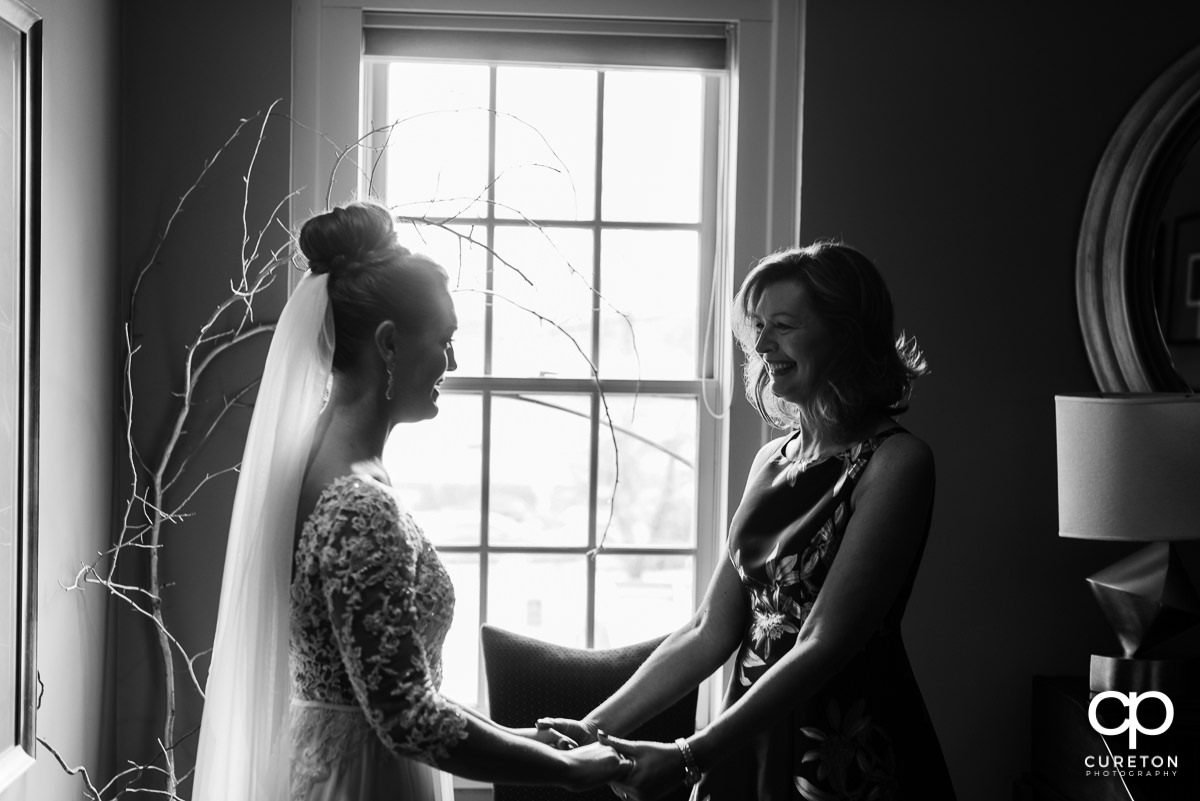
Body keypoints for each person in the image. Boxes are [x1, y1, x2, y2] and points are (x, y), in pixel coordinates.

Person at [192, 201, 632, 801]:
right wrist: (566, 772)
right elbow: (407, 719)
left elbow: (394, 683)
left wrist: (531, 741)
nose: (453, 362)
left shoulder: (330, 467)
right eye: (445, 342)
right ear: (390, 344)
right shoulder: (358, 506)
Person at [537, 243, 956, 800]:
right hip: (743, 738)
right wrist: (594, 729)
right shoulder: (771, 460)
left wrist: (690, 753)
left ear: (847, 335)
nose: (761, 346)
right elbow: (707, 628)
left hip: (844, 756)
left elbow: (823, 642)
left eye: (782, 326)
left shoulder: (897, 463)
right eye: (757, 326)